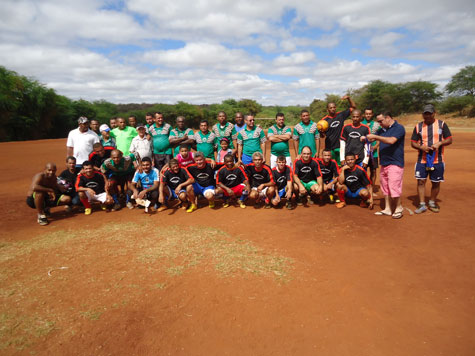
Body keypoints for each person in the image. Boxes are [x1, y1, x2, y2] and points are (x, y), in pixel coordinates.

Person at [361, 112, 405, 218]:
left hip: (395, 162)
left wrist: (376, 136)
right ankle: (388, 208)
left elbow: (391, 140)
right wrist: (366, 138)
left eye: (381, 121)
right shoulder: (382, 130)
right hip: (384, 162)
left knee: (394, 185)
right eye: (378, 121)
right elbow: (373, 138)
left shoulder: (399, 128)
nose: (379, 123)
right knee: (385, 186)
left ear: (388, 118)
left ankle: (399, 207)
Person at [411, 104, 453, 214]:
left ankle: (432, 202)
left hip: (437, 160)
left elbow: (449, 139)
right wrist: (421, 147)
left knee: (436, 182)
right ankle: (422, 204)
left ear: (434, 113)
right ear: (422, 115)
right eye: (425, 114)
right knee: (421, 181)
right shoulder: (418, 126)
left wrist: (440, 143)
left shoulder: (442, 125)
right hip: (422, 159)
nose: (427, 116)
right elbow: (413, 142)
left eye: (429, 113)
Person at [320, 95, 356, 162]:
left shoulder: (341, 115)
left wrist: (349, 98)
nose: (333, 109)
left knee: (341, 165)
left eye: (334, 107)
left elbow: (353, 107)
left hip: (340, 146)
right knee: (331, 165)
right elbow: (322, 136)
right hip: (329, 147)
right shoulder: (324, 120)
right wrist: (321, 132)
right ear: (327, 109)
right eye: (331, 108)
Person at [362, 108, 380, 191]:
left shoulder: (377, 125)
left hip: (374, 153)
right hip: (363, 153)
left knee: (373, 171)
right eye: (366, 114)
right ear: (364, 114)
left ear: (372, 114)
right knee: (363, 171)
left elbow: (381, 137)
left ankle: (371, 189)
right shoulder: (361, 124)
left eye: (369, 113)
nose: (368, 115)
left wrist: (375, 147)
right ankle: (364, 188)